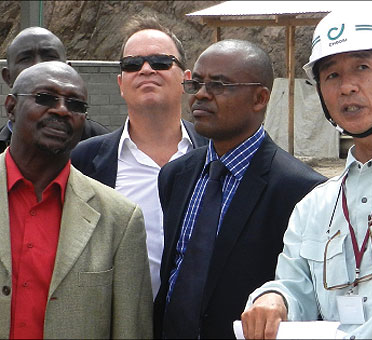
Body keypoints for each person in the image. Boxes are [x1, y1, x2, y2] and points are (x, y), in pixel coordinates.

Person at [241, 9, 372, 339]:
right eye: (332, 75)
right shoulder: (313, 207)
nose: (347, 87)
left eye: (362, 67)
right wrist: (274, 298)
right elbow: (296, 287)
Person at [153, 39, 325, 339]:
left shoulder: (302, 190)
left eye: (219, 85)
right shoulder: (174, 175)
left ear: (259, 98)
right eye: (197, 83)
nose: (201, 95)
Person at [0, 61, 152, 338]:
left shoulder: (119, 219)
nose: (61, 110)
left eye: (75, 105)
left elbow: (131, 330)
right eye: (45, 98)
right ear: (11, 106)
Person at [71, 16, 207, 299]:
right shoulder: (85, 161)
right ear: (121, 84)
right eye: (133, 64)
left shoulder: (216, 153)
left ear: (186, 79)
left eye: (160, 62)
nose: (146, 69)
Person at [0, 26, 109, 153]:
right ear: (8, 77)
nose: (39, 66)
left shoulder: (103, 149)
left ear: (69, 70)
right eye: (25, 58)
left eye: (50, 57)